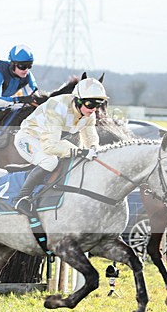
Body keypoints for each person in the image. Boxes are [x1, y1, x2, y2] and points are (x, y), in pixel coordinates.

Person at [9, 76, 107, 217]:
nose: (94, 110)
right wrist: (81, 151)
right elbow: (50, 147)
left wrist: (93, 148)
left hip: (50, 138)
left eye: (98, 105)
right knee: (50, 161)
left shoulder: (88, 113)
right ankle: (20, 199)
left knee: (78, 158)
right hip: (28, 138)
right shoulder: (57, 107)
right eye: (90, 104)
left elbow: (90, 137)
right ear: (78, 100)